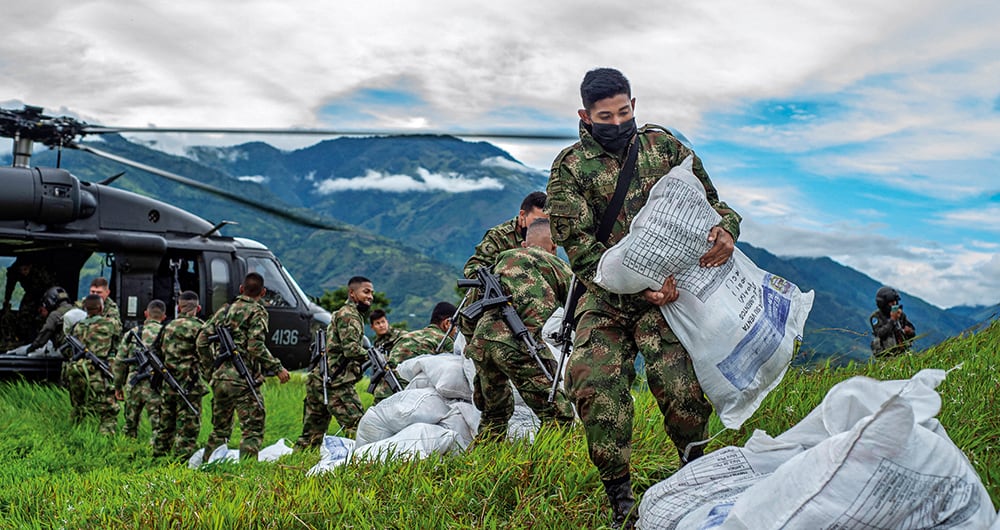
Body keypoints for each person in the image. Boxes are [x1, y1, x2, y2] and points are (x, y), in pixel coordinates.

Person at [545, 67, 741, 528]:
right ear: (585, 116)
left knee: (682, 387)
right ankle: (621, 501)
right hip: (605, 299)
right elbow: (581, 251)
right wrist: (635, 285)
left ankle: (696, 477)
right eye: (606, 116)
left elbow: (716, 206)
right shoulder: (570, 168)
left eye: (625, 111)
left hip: (668, 297)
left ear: (635, 104)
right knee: (594, 385)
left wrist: (725, 232)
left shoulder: (665, 148)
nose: (618, 122)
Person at [468, 218, 576, 440]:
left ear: (525, 243)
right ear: (554, 246)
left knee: (494, 416)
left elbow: (468, 310)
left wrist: (475, 340)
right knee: (558, 414)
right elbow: (579, 307)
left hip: (481, 343)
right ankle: (546, 468)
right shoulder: (557, 266)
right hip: (517, 343)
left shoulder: (498, 263)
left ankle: (483, 462)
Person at [197, 272, 291, 461]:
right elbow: (255, 346)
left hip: (220, 378)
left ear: (241, 289)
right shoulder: (257, 311)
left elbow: (201, 341)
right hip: (242, 379)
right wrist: (277, 368)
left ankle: (206, 467)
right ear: (263, 292)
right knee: (252, 430)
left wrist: (211, 370)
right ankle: (248, 472)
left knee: (219, 430)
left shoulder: (225, 310)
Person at [295, 276, 374, 448]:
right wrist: (373, 356)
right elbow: (351, 349)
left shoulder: (342, 313)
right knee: (358, 429)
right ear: (352, 293)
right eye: (366, 292)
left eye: (372, 293)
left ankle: (293, 467)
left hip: (320, 378)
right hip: (336, 383)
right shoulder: (349, 316)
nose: (370, 297)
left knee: (310, 437)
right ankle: (363, 467)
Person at [153, 290, 207, 458]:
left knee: (165, 423)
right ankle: (182, 459)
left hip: (168, 383)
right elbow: (207, 356)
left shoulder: (167, 327)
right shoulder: (200, 328)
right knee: (189, 425)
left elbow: (156, 353)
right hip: (190, 384)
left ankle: (159, 456)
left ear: (178, 307)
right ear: (197, 308)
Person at [63, 294, 119, 435]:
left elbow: (69, 351)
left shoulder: (77, 327)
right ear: (101, 308)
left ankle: (72, 436)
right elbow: (117, 345)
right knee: (108, 412)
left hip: (77, 372)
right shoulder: (110, 324)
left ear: (85, 309)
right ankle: (105, 443)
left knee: (79, 408)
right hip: (97, 374)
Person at [113, 299, 167, 439]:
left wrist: (118, 386)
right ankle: (156, 455)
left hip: (133, 383)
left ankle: (126, 452)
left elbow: (119, 362)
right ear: (164, 317)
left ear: (145, 314)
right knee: (158, 426)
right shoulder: (166, 333)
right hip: (155, 384)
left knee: (129, 425)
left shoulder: (132, 333)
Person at [2, 257, 55, 342]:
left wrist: (45, 306)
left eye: (25, 269)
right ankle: (23, 338)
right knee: (23, 315)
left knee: (41, 319)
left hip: (44, 294)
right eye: (21, 270)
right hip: (30, 293)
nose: (24, 272)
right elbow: (10, 286)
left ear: (30, 267)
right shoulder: (14, 272)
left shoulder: (41, 273)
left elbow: (51, 288)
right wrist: (7, 300)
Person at [389, 301, 457, 366]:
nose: (456, 331)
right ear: (447, 323)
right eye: (456, 326)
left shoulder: (407, 336)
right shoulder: (445, 340)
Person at [369, 308, 406, 403]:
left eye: (383, 322)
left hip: (400, 375)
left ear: (387, 322)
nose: (381, 325)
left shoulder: (400, 335)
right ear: (372, 327)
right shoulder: (377, 343)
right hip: (385, 379)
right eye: (377, 323)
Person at [870, 286, 916, 357]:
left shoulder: (900, 315)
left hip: (902, 351)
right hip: (886, 354)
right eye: (891, 303)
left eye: (895, 302)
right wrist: (892, 320)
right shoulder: (876, 317)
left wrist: (909, 331)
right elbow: (880, 333)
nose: (894, 304)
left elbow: (912, 330)